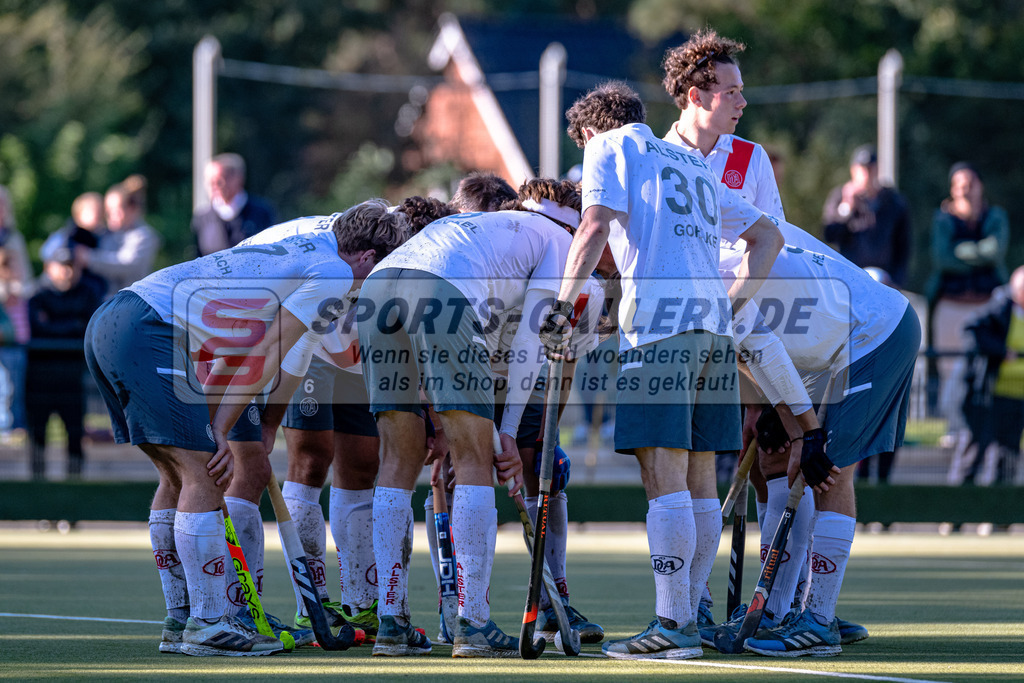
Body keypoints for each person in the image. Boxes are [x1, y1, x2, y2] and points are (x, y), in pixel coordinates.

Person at [84, 199, 407, 656]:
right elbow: (265, 356)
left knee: (177, 474)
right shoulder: (333, 273)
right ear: (368, 257)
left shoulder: (306, 245)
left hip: (114, 317)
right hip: (150, 328)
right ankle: (209, 624)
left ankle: (181, 620)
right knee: (207, 473)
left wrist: (235, 422)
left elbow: (244, 347)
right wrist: (222, 427)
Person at [543, 81, 782, 660]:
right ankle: (687, 623)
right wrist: (732, 303)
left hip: (657, 329)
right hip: (713, 333)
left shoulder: (610, 147)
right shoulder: (697, 162)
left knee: (663, 476)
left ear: (590, 132)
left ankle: (672, 625)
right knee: (701, 478)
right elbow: (768, 236)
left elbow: (594, 225)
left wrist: (561, 306)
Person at [359, 185, 594, 658]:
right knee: (473, 461)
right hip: (442, 289)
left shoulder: (496, 229)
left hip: (379, 288)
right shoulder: (565, 245)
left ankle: (391, 621)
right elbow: (532, 346)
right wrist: (504, 433)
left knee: (396, 461)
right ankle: (474, 625)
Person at [235, 197, 448, 643]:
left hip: (348, 343)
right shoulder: (335, 259)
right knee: (311, 460)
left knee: (363, 464)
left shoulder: (402, 256)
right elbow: (321, 344)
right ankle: (307, 605)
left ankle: (361, 603)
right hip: (296, 336)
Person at [926, 162, 1009, 445]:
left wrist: (961, 252)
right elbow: (942, 258)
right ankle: (955, 428)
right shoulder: (943, 220)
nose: (966, 190)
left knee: (986, 369)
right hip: (951, 306)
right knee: (951, 370)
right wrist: (978, 253)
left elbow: (996, 252)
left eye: (971, 183)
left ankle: (987, 429)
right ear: (952, 189)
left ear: (980, 186)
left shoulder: (995, 216)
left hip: (988, 308)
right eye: (960, 184)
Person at [25, 247, 104, 480]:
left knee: (74, 432)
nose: (67, 272)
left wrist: (56, 325)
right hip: (40, 377)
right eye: (62, 266)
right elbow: (38, 328)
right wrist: (73, 325)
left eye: (71, 266)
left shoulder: (88, 293)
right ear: (49, 268)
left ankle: (74, 483)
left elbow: (89, 327)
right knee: (38, 434)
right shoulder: (37, 294)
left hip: (72, 376)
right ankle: (37, 482)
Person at [963, 265, 1024, 484]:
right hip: (990, 393)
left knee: (1009, 453)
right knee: (977, 447)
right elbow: (971, 329)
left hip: (1019, 397)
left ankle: (1000, 514)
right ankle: (954, 510)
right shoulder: (999, 306)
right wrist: (1001, 352)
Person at [822, 144, 912, 287]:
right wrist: (847, 206)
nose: (866, 174)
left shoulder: (893, 202)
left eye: (870, 168)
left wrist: (896, 281)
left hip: (884, 281)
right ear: (853, 171)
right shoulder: (840, 196)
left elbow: (903, 247)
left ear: (877, 169)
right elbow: (830, 235)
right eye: (862, 169)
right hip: (849, 281)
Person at [79, 176, 161, 297]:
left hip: (132, 303)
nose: (111, 216)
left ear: (132, 209)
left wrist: (88, 258)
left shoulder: (144, 236)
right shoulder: (107, 234)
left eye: (116, 210)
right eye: (108, 211)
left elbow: (126, 264)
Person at [191, 154, 277, 257]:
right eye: (210, 181)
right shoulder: (202, 217)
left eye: (219, 180)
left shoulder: (262, 212)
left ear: (238, 179)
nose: (213, 186)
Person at [0, 184, 33, 435]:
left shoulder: (13, 239)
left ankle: (17, 429)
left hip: (12, 328)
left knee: (14, 386)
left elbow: (25, 284)